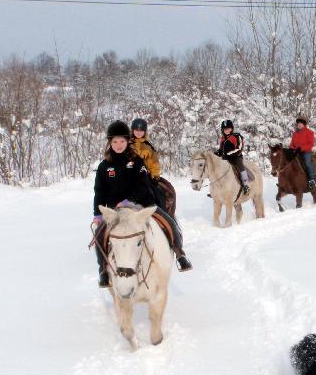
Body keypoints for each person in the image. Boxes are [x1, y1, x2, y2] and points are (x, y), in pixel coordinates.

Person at [92, 120, 192, 287]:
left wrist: (127, 201)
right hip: (116, 211)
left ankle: (180, 253)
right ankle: (103, 270)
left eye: (122, 141)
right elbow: (99, 191)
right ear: (109, 142)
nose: (118, 145)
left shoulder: (137, 161)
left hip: (141, 204)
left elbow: (142, 186)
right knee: (100, 234)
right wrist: (98, 214)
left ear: (127, 141)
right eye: (115, 141)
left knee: (168, 221)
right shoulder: (104, 167)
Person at [215, 119, 249, 195]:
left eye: (228, 128)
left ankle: (246, 185)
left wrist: (228, 154)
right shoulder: (222, 139)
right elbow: (221, 150)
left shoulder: (236, 136)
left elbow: (239, 148)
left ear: (232, 129)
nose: (226, 130)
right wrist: (217, 153)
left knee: (241, 167)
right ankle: (217, 187)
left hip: (236, 157)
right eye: (224, 129)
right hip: (225, 159)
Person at [289, 116, 316, 190]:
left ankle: (311, 180)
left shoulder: (310, 132)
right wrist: (291, 148)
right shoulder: (295, 134)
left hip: (306, 152)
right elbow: (292, 143)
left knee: (307, 162)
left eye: (301, 123)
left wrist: (301, 148)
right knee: (287, 162)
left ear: (304, 124)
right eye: (298, 123)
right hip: (296, 152)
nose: (299, 125)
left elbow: (311, 144)